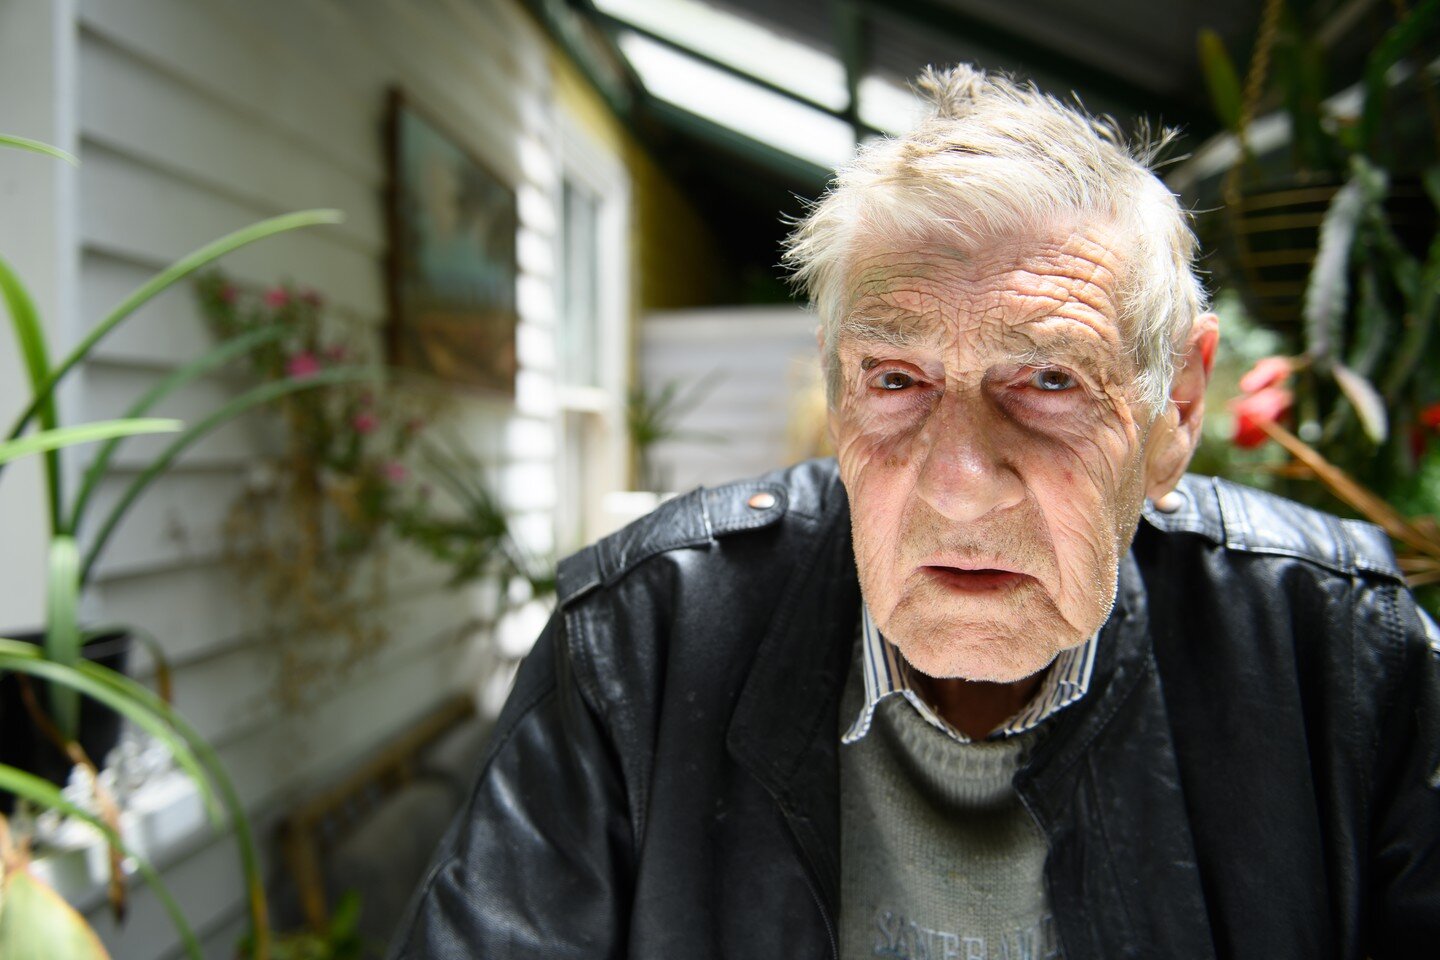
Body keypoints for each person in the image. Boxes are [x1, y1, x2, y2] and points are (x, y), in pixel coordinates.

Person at [390, 65, 1439, 959]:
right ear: (837, 390)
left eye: (1050, 382)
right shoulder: (641, 641)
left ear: (1177, 408)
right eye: (897, 381)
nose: (959, 482)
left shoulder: (1342, 651)